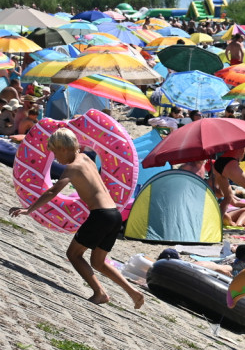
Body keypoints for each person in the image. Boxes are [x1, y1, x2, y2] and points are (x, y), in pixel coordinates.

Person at [9, 129, 145, 309]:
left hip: (101, 216)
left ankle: (100, 293)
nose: (56, 158)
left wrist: (29, 209)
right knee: (98, 262)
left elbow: (52, 191)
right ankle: (134, 293)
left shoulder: (72, 168)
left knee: (73, 254)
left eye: (55, 153)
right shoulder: (85, 159)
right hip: (114, 215)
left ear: (64, 148)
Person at [212, 147, 245, 229]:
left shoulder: (236, 140)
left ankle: (217, 220)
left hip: (218, 163)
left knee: (228, 196)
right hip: (229, 162)